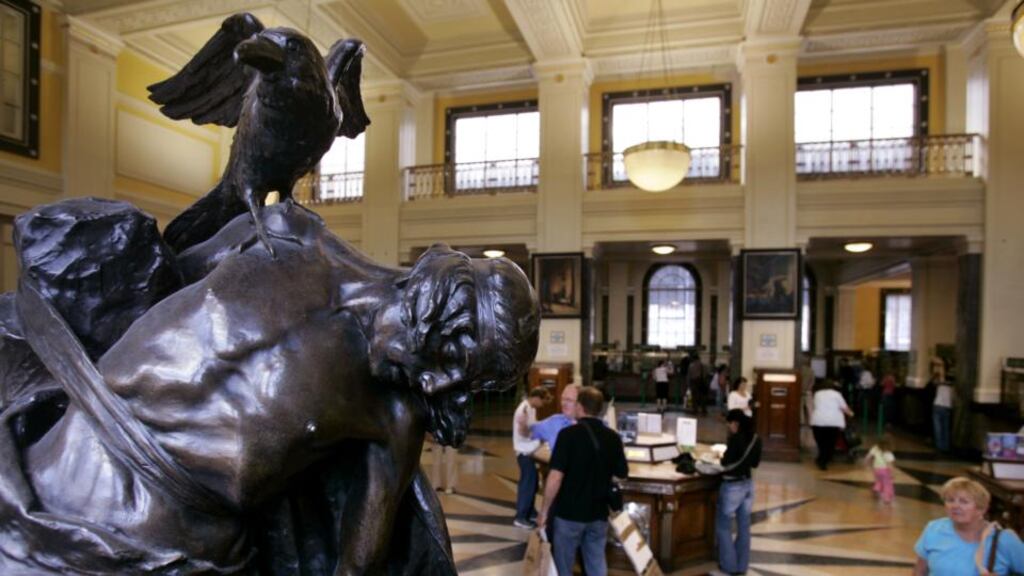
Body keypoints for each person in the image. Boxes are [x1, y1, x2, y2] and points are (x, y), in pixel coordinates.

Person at [2, 204, 542, 574]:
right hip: (54, 463)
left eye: (461, 384)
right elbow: (161, 279)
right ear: (442, 296)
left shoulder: (395, 412)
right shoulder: (286, 231)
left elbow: (358, 564)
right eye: (454, 359)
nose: (437, 382)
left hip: (159, 543)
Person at [538, 387, 628, 576]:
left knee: (564, 565)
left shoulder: (568, 435)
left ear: (580, 406)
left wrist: (544, 511)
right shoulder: (613, 437)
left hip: (569, 514)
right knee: (596, 563)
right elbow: (622, 473)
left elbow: (555, 477)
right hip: (598, 514)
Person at [914, 477, 1024, 575]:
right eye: (950, 500)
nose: (955, 506)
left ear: (981, 509)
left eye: (964, 502)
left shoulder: (1003, 539)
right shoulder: (934, 528)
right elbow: (919, 571)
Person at [716, 409, 763, 576]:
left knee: (723, 526)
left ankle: (729, 565)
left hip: (732, 487)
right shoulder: (756, 438)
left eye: (729, 424)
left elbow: (725, 462)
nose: (729, 428)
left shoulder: (736, 439)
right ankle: (742, 566)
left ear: (735, 423)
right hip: (748, 485)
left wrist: (721, 456)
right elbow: (755, 464)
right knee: (744, 527)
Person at [513, 387, 550, 528]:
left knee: (533, 482)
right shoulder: (523, 410)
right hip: (524, 451)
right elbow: (523, 432)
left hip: (531, 450)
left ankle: (530, 511)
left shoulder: (531, 408)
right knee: (527, 484)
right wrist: (538, 437)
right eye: (543, 402)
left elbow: (533, 426)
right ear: (536, 398)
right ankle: (521, 517)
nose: (542, 405)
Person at [810, 379, 854, 471]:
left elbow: (815, 406)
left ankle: (821, 459)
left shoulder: (817, 394)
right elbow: (844, 408)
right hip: (833, 422)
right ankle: (823, 461)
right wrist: (851, 414)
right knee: (830, 443)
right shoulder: (837, 394)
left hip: (818, 421)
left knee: (821, 443)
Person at [531, 384, 581, 450]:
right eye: (562, 399)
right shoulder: (554, 421)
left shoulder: (590, 425)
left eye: (569, 400)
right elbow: (529, 431)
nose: (563, 403)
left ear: (580, 403)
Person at [864, 435, 896, 505]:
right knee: (887, 484)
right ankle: (887, 498)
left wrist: (866, 463)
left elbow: (868, 456)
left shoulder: (875, 448)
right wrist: (892, 473)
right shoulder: (888, 453)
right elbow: (889, 465)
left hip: (876, 470)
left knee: (879, 480)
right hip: (885, 471)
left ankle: (876, 489)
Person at [931, 361, 954, 454]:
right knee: (946, 428)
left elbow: (934, 383)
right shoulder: (951, 382)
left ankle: (939, 446)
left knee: (938, 427)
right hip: (947, 406)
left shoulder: (939, 380)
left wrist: (937, 373)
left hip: (938, 405)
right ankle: (945, 446)